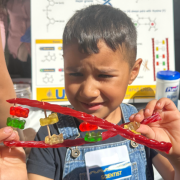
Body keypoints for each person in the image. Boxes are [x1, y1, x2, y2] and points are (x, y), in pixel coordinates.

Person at [0, 4, 180, 180]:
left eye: (104, 75)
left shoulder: (143, 129)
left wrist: (177, 157)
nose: (88, 91)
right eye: (75, 74)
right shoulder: (50, 135)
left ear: (133, 72)